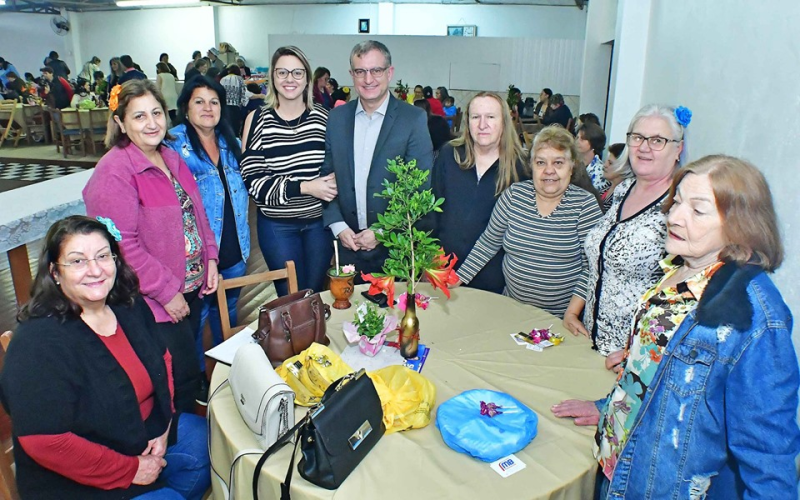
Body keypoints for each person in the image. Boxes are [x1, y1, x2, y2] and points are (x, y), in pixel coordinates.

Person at [552, 155, 800, 499]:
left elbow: (768, 455)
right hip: (621, 466)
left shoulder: (755, 317)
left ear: (740, 224)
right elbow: (663, 371)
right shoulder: (679, 269)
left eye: (697, 211)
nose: (674, 216)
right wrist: (608, 405)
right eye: (677, 201)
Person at [0, 215, 211, 500]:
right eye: (77, 261)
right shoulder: (37, 343)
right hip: (77, 473)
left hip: (141, 435)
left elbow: (163, 361)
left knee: (209, 443)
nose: (95, 270)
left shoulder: (129, 306)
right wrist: (131, 470)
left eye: (102, 256)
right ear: (54, 273)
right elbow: (45, 442)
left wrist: (165, 425)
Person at [83, 79, 219, 411]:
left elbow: (197, 211)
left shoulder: (170, 157)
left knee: (189, 367)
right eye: (139, 116)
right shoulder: (114, 173)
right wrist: (166, 292)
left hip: (188, 286)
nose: (152, 123)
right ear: (120, 123)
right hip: (152, 302)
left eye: (156, 113)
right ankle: (182, 451)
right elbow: (121, 247)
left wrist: (211, 259)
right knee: (173, 381)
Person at [563, 104, 687, 357]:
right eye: (638, 137)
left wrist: (639, 352)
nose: (644, 147)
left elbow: (684, 292)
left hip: (636, 359)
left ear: (678, 149)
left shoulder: (680, 204)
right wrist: (572, 311)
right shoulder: (623, 190)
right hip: (590, 345)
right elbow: (598, 260)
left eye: (657, 140)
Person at [454, 126, 602, 316]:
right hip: (511, 310)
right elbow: (488, 243)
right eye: (541, 163)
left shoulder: (585, 205)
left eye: (558, 163)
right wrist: (458, 278)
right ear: (531, 165)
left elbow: (592, 267)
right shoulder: (513, 196)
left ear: (572, 166)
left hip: (560, 318)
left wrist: (571, 314)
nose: (549, 171)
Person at [321, 40, 434, 279]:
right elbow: (327, 177)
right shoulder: (337, 118)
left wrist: (383, 231)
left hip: (394, 248)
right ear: (352, 75)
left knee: (395, 313)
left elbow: (419, 188)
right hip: (347, 244)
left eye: (376, 70)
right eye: (360, 71)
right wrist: (338, 226)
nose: (368, 79)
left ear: (389, 72)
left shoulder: (412, 120)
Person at [165, 76, 250, 378]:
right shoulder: (173, 145)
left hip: (234, 244)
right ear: (186, 108)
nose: (207, 108)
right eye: (199, 101)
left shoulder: (230, 142)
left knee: (226, 311)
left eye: (214, 102)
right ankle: (197, 376)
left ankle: (228, 369)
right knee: (197, 317)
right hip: (197, 253)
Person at [241, 46, 332, 296]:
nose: (289, 79)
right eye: (282, 72)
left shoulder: (325, 118)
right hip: (277, 226)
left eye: (297, 73)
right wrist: (305, 186)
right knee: (291, 299)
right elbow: (254, 183)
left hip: (319, 225)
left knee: (314, 296)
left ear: (307, 79)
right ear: (272, 77)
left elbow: (336, 170)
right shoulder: (256, 119)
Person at [432, 91, 528, 295]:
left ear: (504, 121)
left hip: (494, 279)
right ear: (468, 122)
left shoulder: (521, 167)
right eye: (476, 117)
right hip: (443, 271)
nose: (482, 124)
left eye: (491, 117)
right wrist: (429, 260)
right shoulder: (449, 155)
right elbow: (432, 212)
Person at [576, 122, 611, 194]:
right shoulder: (574, 162)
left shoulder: (600, 171)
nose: (577, 141)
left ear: (593, 142)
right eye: (577, 138)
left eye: (582, 139)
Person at [220, 64, 248, 134]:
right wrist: (243, 104)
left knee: (226, 128)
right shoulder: (240, 79)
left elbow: (220, 93)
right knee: (235, 129)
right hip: (235, 107)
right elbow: (244, 93)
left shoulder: (223, 79)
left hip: (224, 106)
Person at [601, 143, 625, 212]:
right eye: (606, 161)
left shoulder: (621, 196)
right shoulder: (606, 187)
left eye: (610, 163)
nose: (605, 165)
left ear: (622, 167)